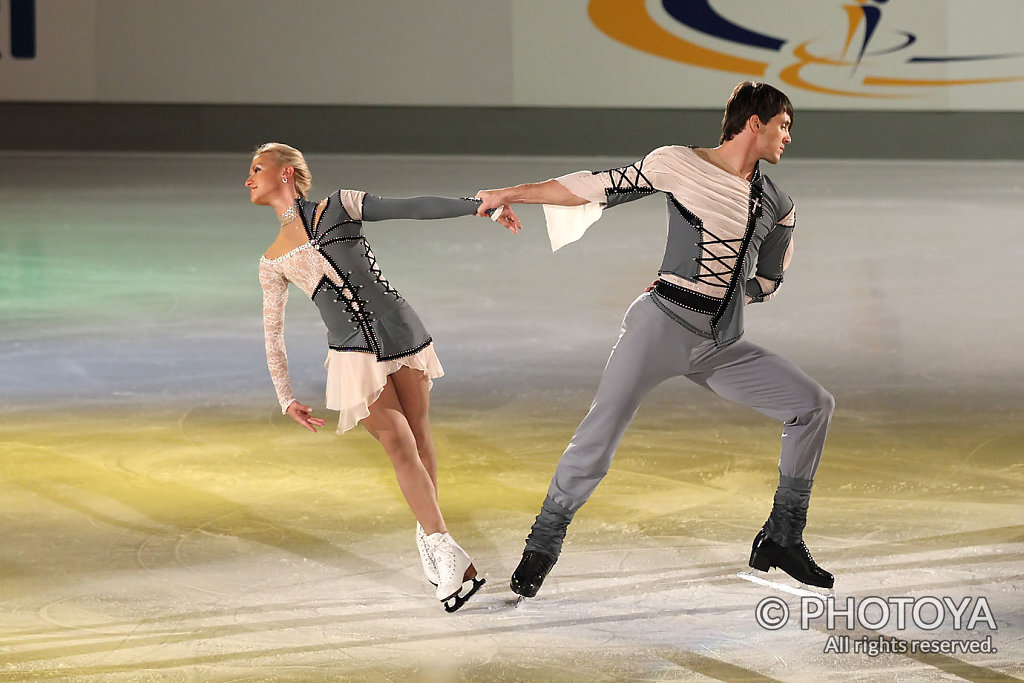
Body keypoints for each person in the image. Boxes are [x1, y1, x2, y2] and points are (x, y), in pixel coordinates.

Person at [475, 82, 835, 602]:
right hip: (660, 327)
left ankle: (782, 535)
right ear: (754, 123)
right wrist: (510, 194)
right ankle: (543, 542)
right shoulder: (677, 163)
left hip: (721, 342)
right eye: (783, 125)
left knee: (813, 406)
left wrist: (737, 293)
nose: (788, 137)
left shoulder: (778, 202)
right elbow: (592, 186)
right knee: (601, 431)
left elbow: (770, 279)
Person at [248, 142, 518, 611]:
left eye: (256, 168)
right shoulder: (272, 260)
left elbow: (411, 207)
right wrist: (285, 396)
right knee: (397, 441)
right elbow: (273, 333)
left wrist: (478, 207)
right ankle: (442, 546)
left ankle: (439, 552)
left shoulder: (340, 205)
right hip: (353, 355)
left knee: (418, 436)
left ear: (286, 173)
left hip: (402, 331)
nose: (247, 179)